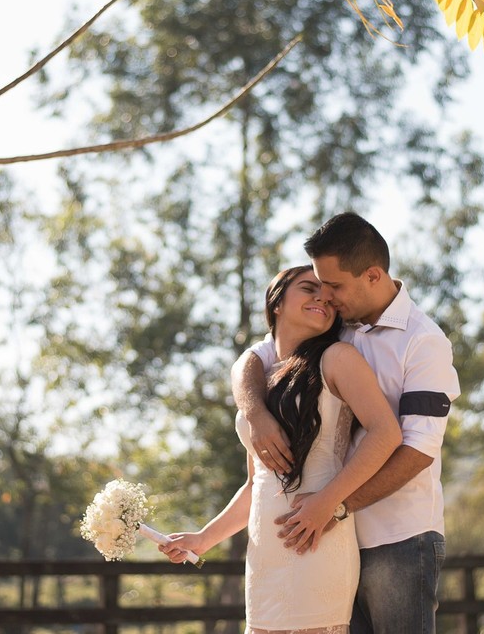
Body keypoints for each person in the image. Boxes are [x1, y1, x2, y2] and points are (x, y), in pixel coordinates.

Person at [237, 212, 460, 634]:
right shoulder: (335, 325)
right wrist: (255, 412)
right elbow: (255, 358)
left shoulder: (423, 341)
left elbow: (418, 450)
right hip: (332, 538)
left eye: (334, 286)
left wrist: (336, 505)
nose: (327, 296)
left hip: (399, 538)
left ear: (373, 275)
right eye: (320, 286)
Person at [159, 265, 403, 634]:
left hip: (316, 541)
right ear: (276, 302)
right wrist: (203, 538)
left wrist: (328, 502)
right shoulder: (261, 377)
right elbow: (256, 484)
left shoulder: (337, 358)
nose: (322, 297)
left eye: (328, 296)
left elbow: (386, 434)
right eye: (308, 288)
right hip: (263, 558)